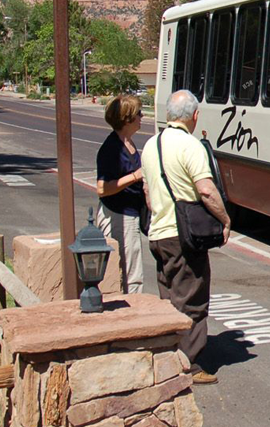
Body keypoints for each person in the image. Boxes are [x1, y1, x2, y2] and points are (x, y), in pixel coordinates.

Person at [141, 89, 230, 385]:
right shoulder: (191, 147)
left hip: (158, 233)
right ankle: (187, 365)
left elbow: (149, 195)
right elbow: (206, 190)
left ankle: (168, 356)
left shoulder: (151, 145)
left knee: (169, 298)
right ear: (194, 116)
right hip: (183, 237)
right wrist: (225, 219)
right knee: (191, 299)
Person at [96, 94, 148, 294]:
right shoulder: (112, 148)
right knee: (128, 272)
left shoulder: (129, 143)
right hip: (119, 215)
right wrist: (135, 176)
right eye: (138, 113)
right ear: (127, 118)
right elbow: (102, 188)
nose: (142, 117)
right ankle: (131, 311)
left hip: (131, 213)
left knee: (132, 267)